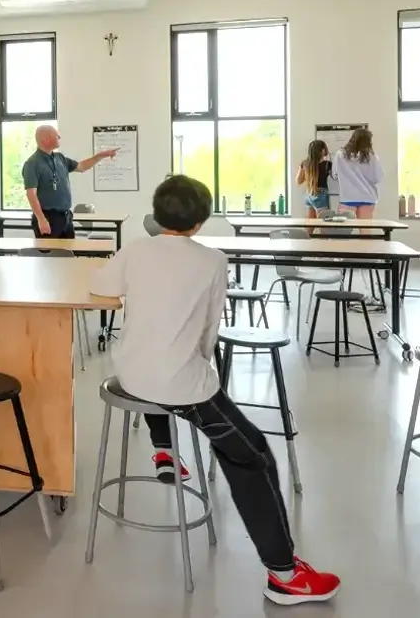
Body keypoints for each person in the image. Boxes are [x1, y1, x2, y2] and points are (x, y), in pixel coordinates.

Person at [90, 175, 341, 606]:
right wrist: (198, 365)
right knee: (254, 454)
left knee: (167, 382)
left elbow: (101, 290)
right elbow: (208, 333)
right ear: (202, 221)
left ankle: (164, 448)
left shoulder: (135, 250)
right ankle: (284, 574)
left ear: (156, 214)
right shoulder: (212, 261)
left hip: (129, 374)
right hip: (181, 385)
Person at [22, 125, 117, 238]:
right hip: (47, 217)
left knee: (68, 254)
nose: (59, 137)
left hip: (66, 217)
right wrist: (41, 219)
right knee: (50, 254)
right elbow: (31, 194)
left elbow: (82, 167)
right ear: (46, 140)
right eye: (56, 135)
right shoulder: (32, 164)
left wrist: (101, 156)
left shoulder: (60, 158)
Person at [331, 128, 382, 219]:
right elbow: (377, 178)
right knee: (365, 230)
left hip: (348, 197)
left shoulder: (340, 154)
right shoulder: (372, 156)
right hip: (367, 197)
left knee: (344, 231)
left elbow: (335, 174)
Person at [295, 140, 332, 218]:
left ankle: (307, 231)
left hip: (308, 195)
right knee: (323, 224)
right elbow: (335, 176)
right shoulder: (327, 164)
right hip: (321, 195)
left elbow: (298, 181)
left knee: (310, 224)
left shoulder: (304, 164)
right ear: (322, 150)